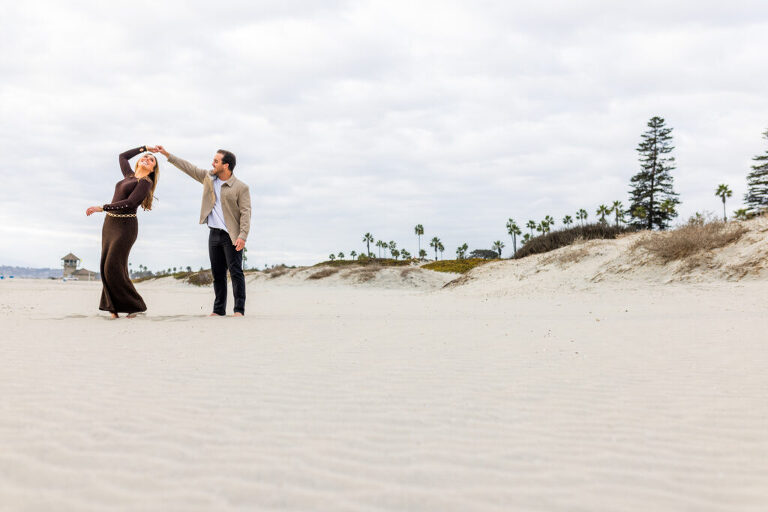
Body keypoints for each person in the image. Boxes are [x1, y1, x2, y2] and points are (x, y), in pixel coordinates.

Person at [153, 145, 251, 316]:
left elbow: (246, 213)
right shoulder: (208, 178)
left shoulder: (241, 187)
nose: (212, 163)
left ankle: (239, 310)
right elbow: (189, 168)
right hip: (214, 234)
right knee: (218, 274)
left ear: (226, 165)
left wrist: (242, 236)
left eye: (216, 161)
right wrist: (167, 154)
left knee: (236, 272)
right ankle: (218, 310)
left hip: (232, 235)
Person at [86, 146, 159, 318]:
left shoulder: (145, 183)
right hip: (110, 224)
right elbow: (122, 156)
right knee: (105, 266)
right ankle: (113, 310)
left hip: (125, 227)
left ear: (153, 169)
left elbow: (130, 202)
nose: (147, 159)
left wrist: (102, 207)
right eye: (145, 157)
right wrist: (145, 148)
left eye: (151, 160)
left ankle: (136, 306)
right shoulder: (129, 176)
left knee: (113, 267)